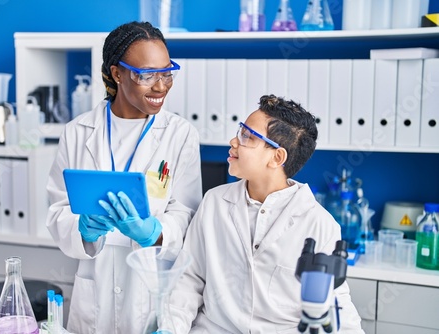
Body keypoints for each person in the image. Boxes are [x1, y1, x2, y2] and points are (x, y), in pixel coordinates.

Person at [46, 21, 202, 334]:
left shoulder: (180, 134)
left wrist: (155, 232)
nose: (160, 86)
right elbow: (58, 209)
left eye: (167, 72)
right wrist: (84, 229)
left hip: (151, 287)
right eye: (146, 75)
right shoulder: (77, 133)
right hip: (95, 289)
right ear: (117, 74)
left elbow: (187, 212)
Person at [170, 94, 363, 333]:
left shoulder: (319, 224)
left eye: (247, 137)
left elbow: (336, 306)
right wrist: (171, 328)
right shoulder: (215, 202)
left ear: (277, 157)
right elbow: (189, 279)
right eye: (240, 131)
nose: (234, 141)